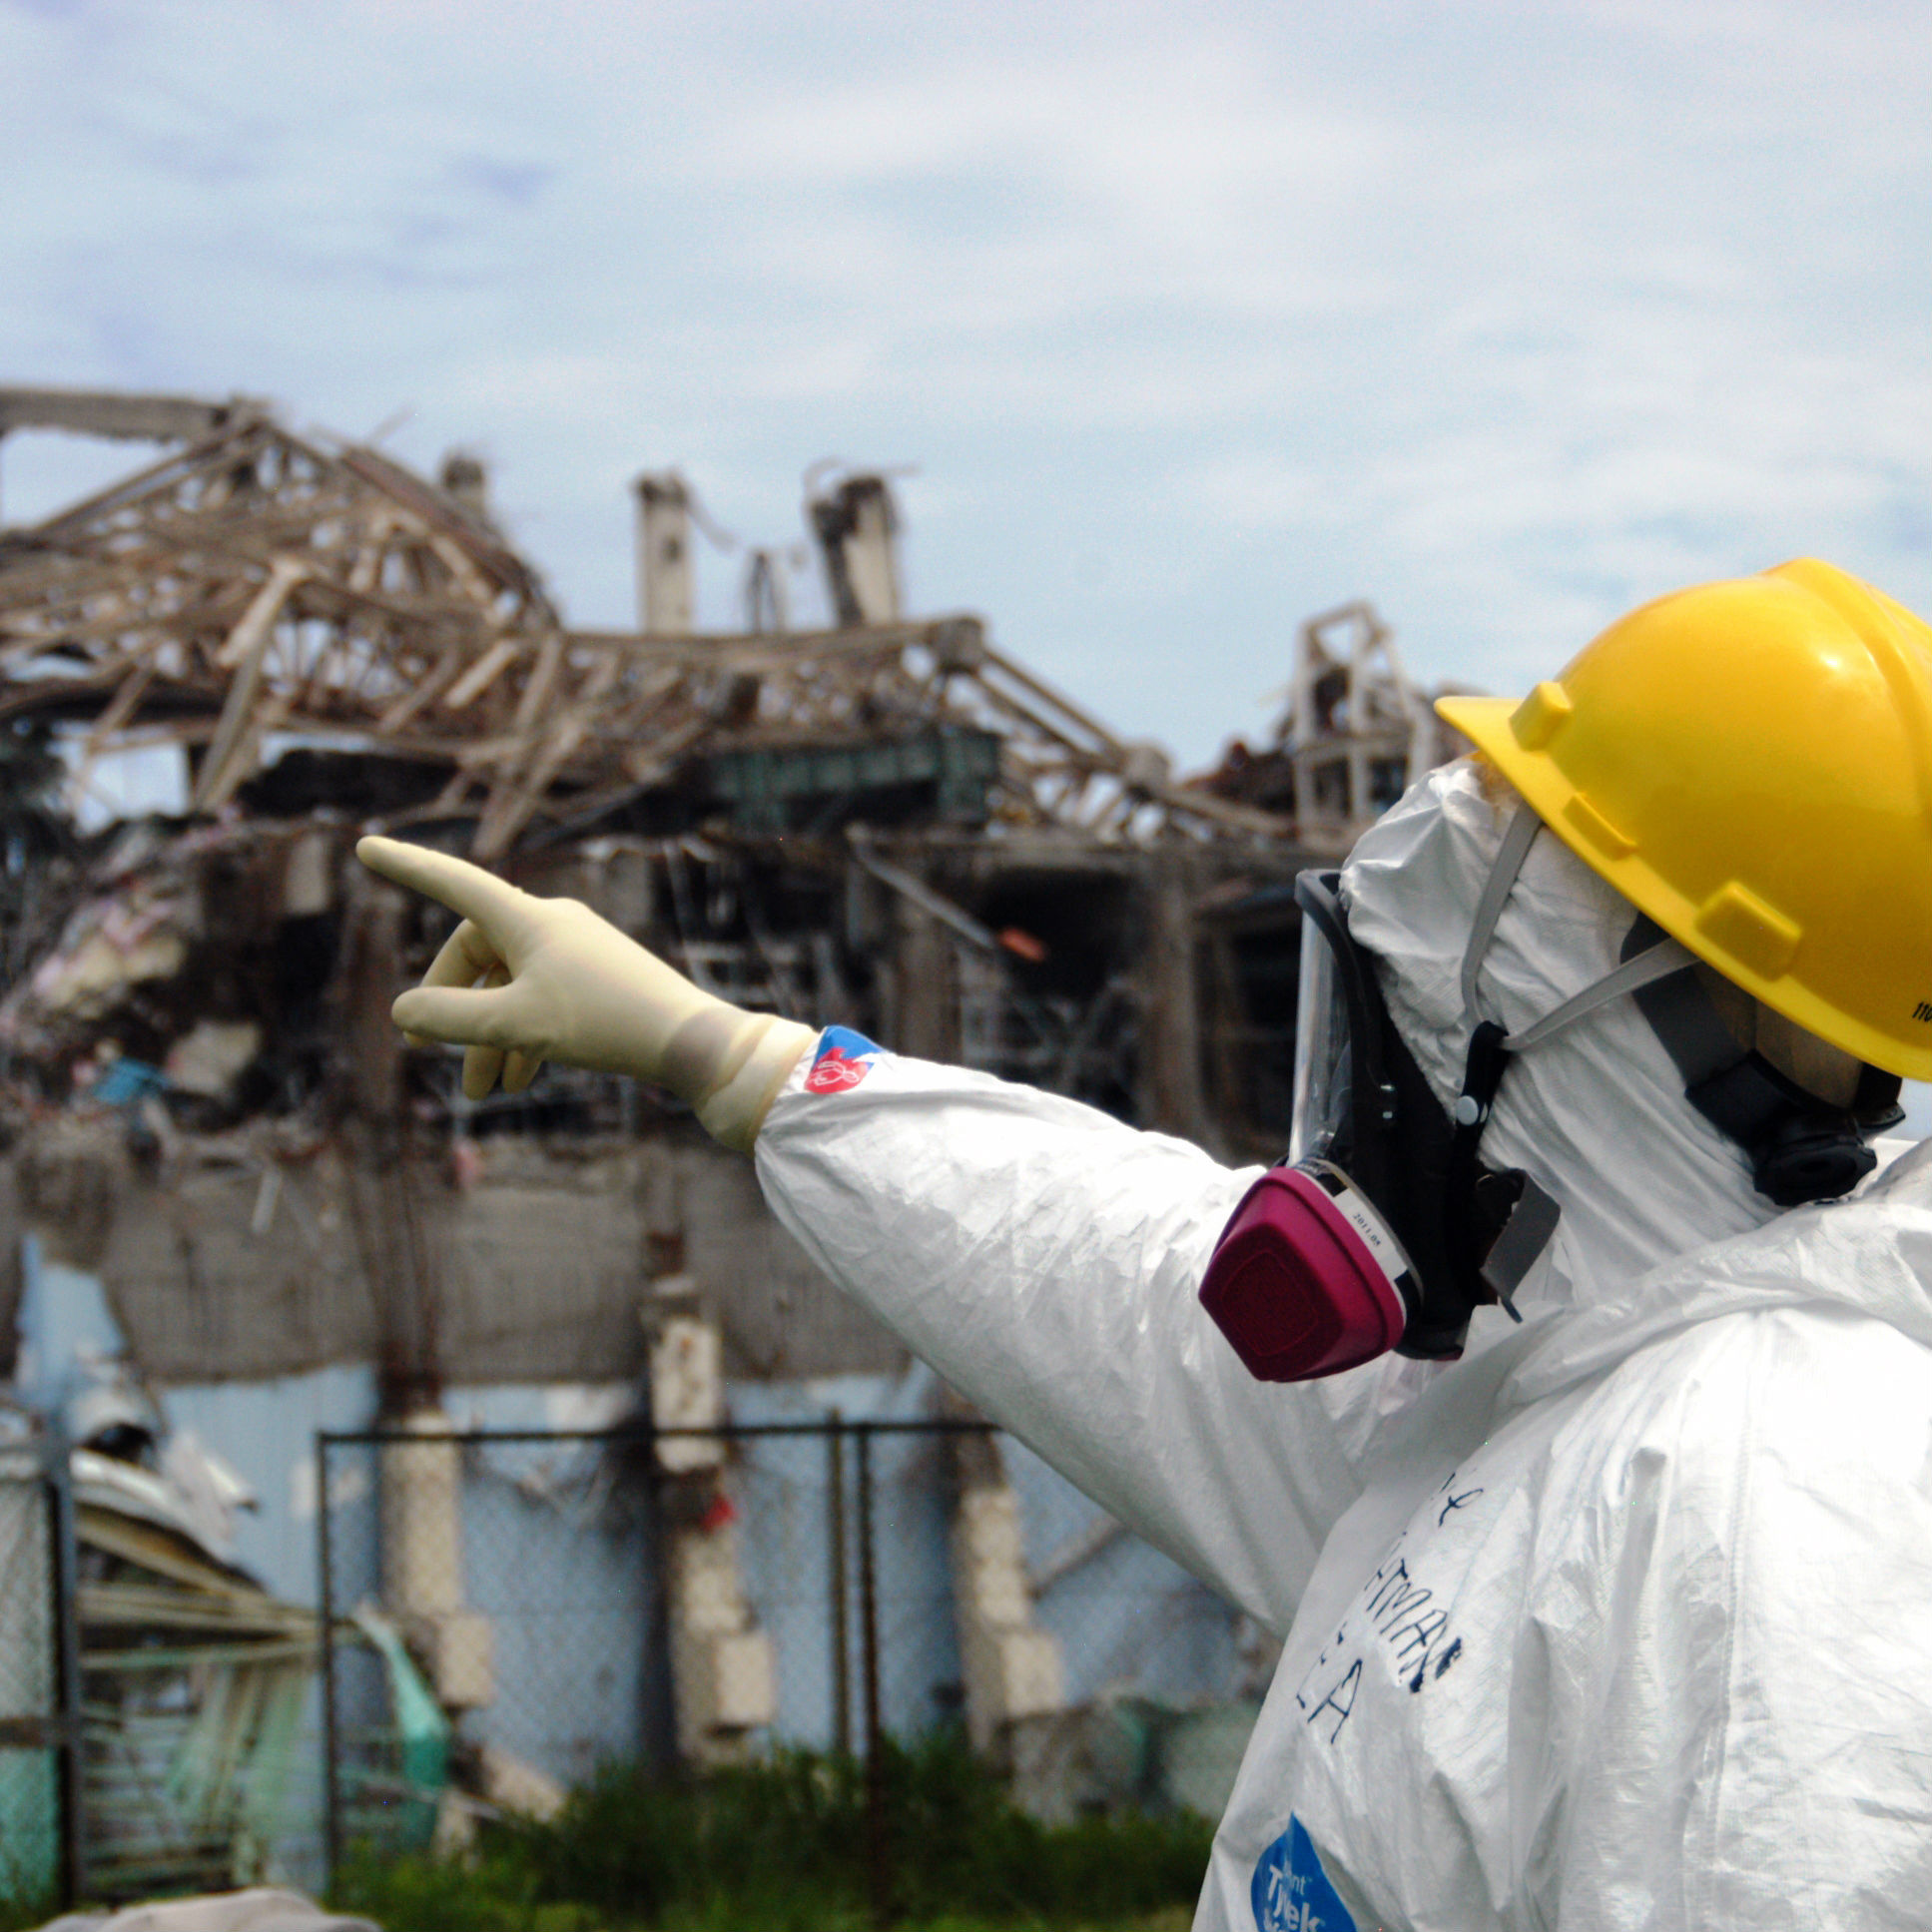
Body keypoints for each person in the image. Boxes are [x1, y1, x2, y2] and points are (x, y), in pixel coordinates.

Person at [359, 556, 1932, 1928]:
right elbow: (1114, 1272)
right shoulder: (1552, 1378)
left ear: (1602, 996)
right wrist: (735, 1057)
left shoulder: (1764, 1525)